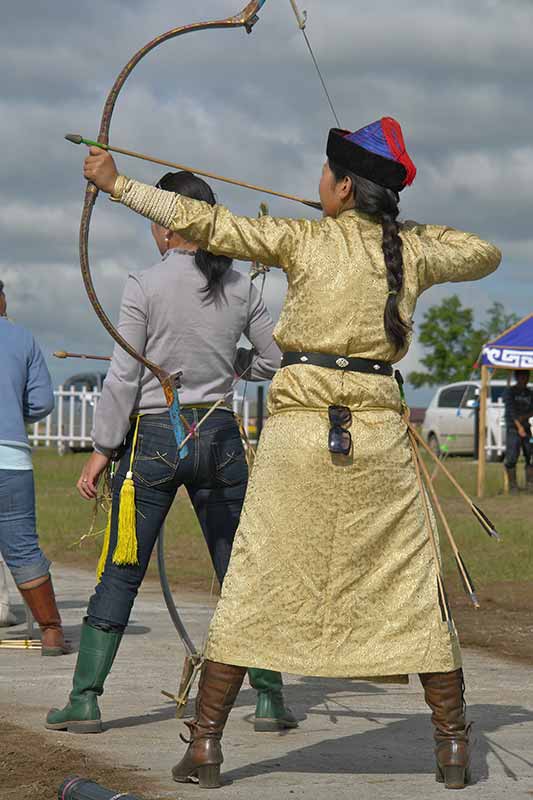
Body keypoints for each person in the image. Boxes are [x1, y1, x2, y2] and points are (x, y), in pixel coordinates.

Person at [81, 117, 501, 790]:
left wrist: (117, 184)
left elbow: (206, 225)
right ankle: (451, 748)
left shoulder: (301, 238)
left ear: (339, 185)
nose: (317, 184)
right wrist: (395, 233)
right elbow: (482, 252)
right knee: (411, 586)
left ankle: (206, 749)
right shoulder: (406, 251)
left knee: (254, 579)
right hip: (378, 438)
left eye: (325, 176)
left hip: (303, 434)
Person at [46, 171, 297, 735]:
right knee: (240, 570)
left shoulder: (145, 284)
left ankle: (85, 700)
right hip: (221, 439)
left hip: (156, 440)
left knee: (121, 570)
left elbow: (121, 378)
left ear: (166, 224)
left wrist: (101, 450)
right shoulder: (241, 286)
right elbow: (274, 360)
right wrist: (233, 368)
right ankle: (269, 699)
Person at [0, 280, 70, 654]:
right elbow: (42, 402)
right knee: (23, 547)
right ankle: (51, 630)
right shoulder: (23, 338)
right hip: (10, 460)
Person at [503, 370, 533, 493]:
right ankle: (513, 486)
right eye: (522, 376)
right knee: (511, 458)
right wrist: (519, 426)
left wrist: (525, 418)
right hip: (513, 429)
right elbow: (511, 411)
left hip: (526, 428)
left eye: (527, 376)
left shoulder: (530, 393)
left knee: (530, 456)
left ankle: (530, 485)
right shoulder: (510, 392)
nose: (525, 379)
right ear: (517, 377)